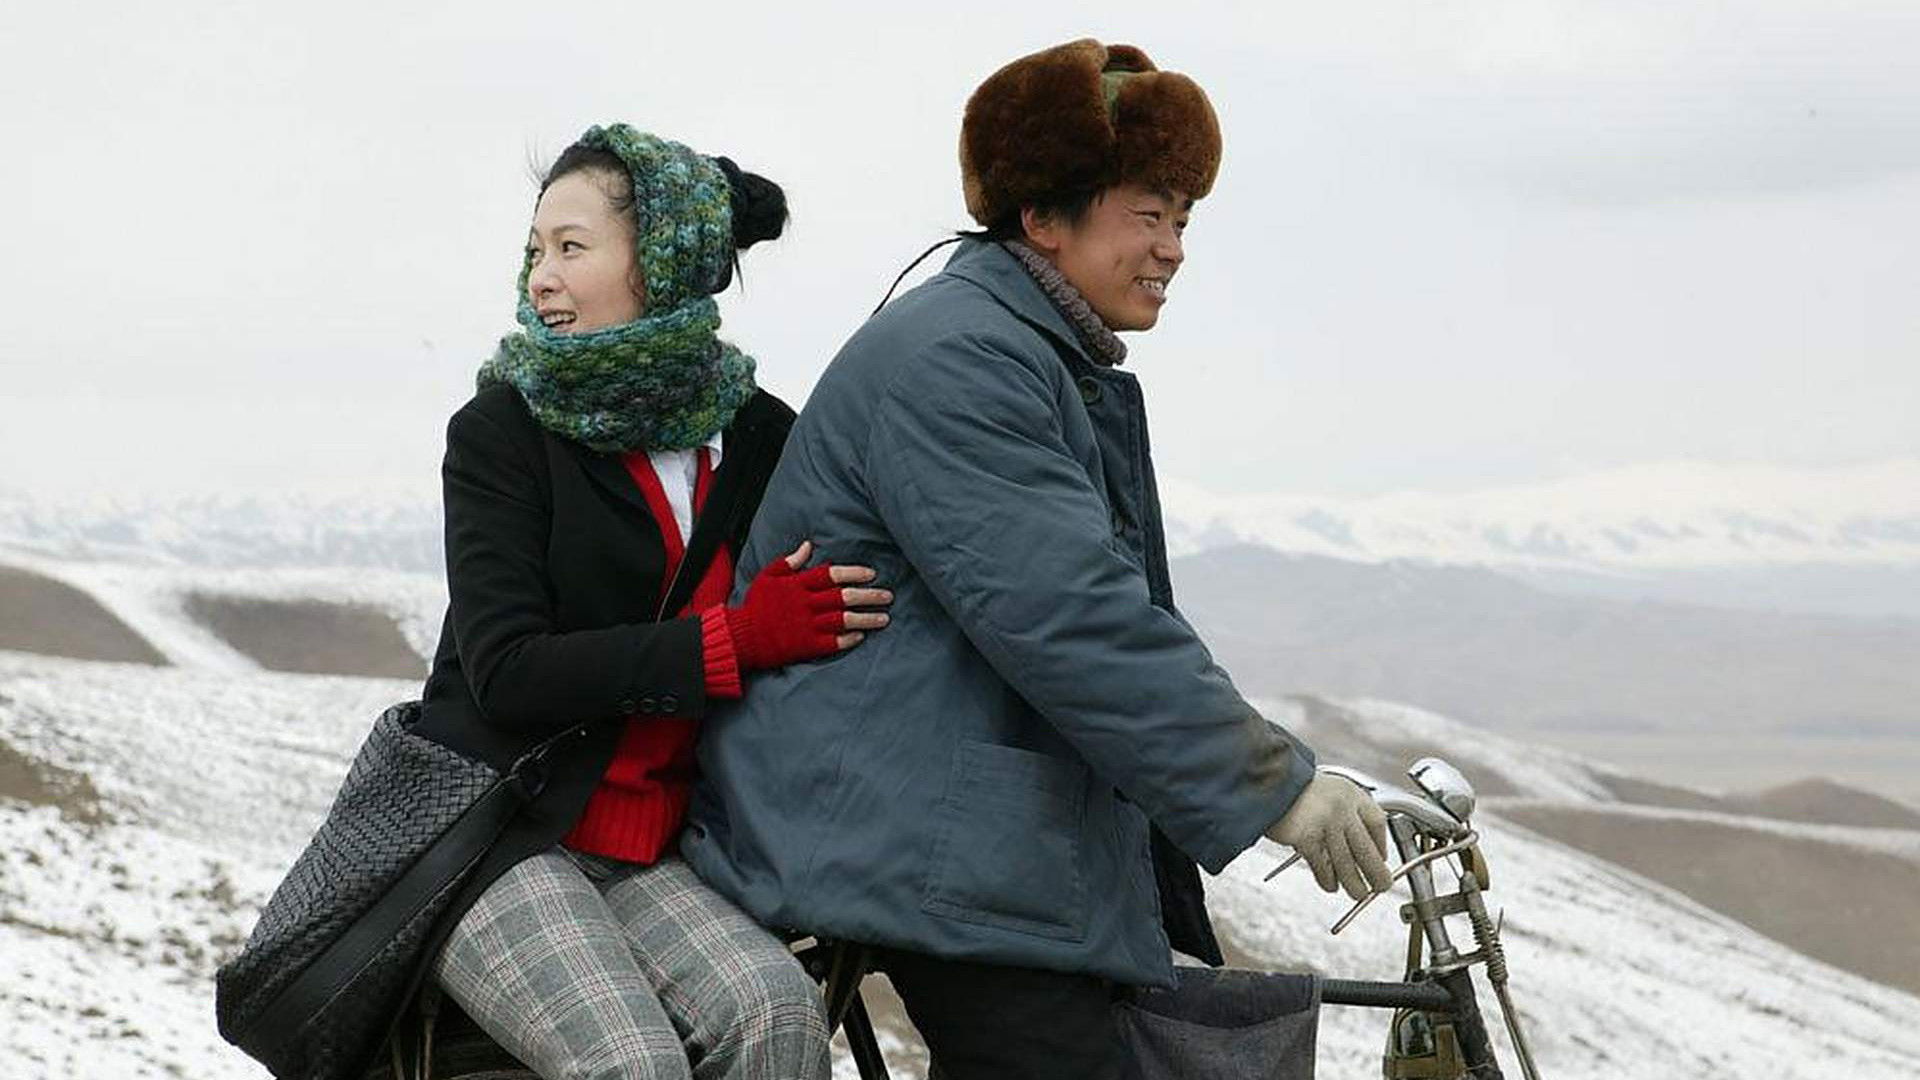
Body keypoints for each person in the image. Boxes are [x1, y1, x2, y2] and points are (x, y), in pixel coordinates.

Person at [681, 40, 1392, 1079]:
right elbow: (1068, 613)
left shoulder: (1024, 349)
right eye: (1148, 215)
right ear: (1044, 218)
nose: (1174, 249)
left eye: (1183, 220)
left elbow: (1096, 606)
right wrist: (1276, 788)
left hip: (934, 804)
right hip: (885, 822)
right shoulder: (963, 359)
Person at [412, 123, 891, 1080]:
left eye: (571, 248)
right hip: (498, 834)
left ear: (662, 265)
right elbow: (506, 673)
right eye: (536, 251)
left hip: (654, 845)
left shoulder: (759, 436)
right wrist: (735, 640)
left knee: (780, 1016)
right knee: (634, 1064)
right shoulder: (501, 431)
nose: (542, 279)